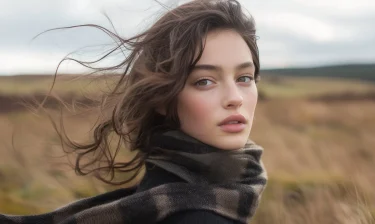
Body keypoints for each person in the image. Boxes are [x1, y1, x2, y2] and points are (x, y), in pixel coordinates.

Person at [1, 0, 267, 223]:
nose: (234, 98)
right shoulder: (197, 215)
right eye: (204, 81)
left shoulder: (154, 196)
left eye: (244, 77)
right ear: (162, 98)